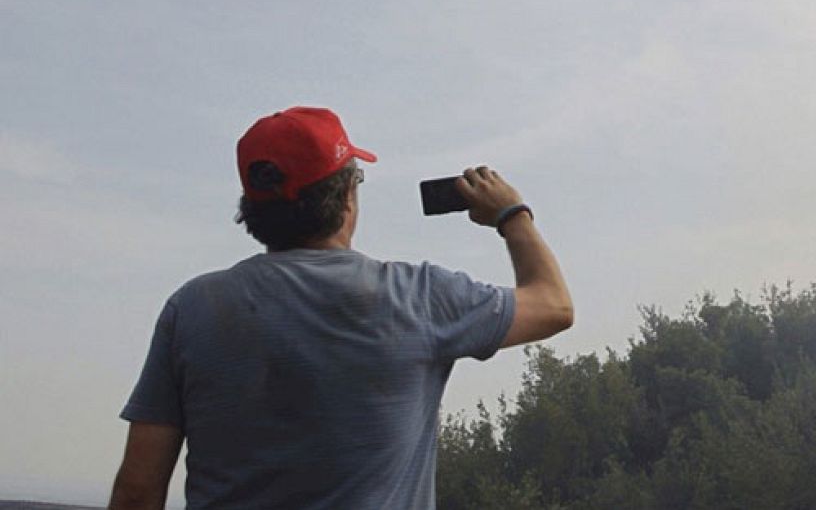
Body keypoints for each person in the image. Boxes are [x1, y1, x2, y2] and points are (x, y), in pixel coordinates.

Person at [107, 106, 574, 510]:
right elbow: (553, 305)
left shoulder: (191, 309)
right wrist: (512, 214)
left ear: (252, 206)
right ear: (346, 197)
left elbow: (136, 492)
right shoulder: (420, 297)